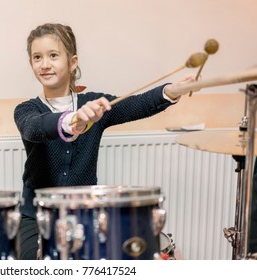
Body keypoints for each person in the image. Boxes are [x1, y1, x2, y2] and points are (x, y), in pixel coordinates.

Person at [14, 22, 196, 260]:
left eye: (53, 55)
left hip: (84, 216)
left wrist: (171, 91)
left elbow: (136, 104)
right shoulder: (26, 110)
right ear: (31, 64)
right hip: (35, 218)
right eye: (37, 57)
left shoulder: (94, 105)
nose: (45, 64)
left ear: (72, 62)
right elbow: (34, 128)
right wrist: (73, 119)